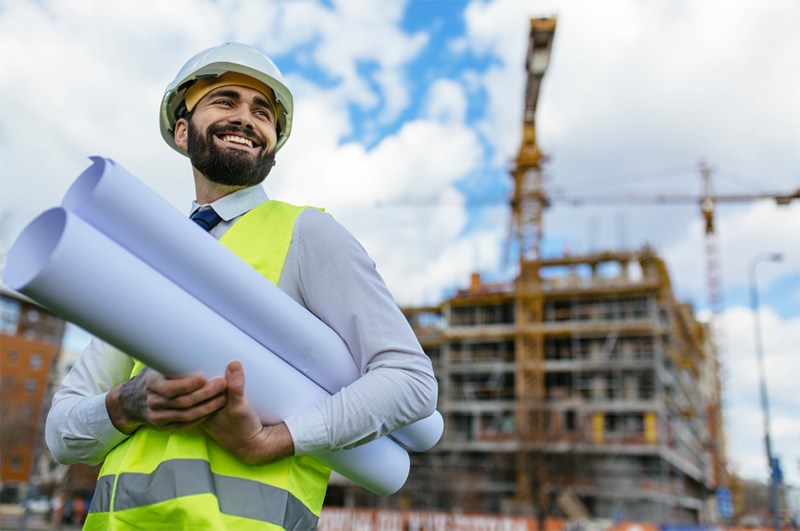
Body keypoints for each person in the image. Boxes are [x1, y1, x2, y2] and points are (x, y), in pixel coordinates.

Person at [45, 43, 437, 531]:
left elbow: (411, 381)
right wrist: (126, 405)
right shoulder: (146, 260)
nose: (247, 119)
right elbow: (62, 435)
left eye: (263, 112)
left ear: (273, 141)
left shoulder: (307, 234)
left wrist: (275, 438)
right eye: (225, 101)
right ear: (183, 128)